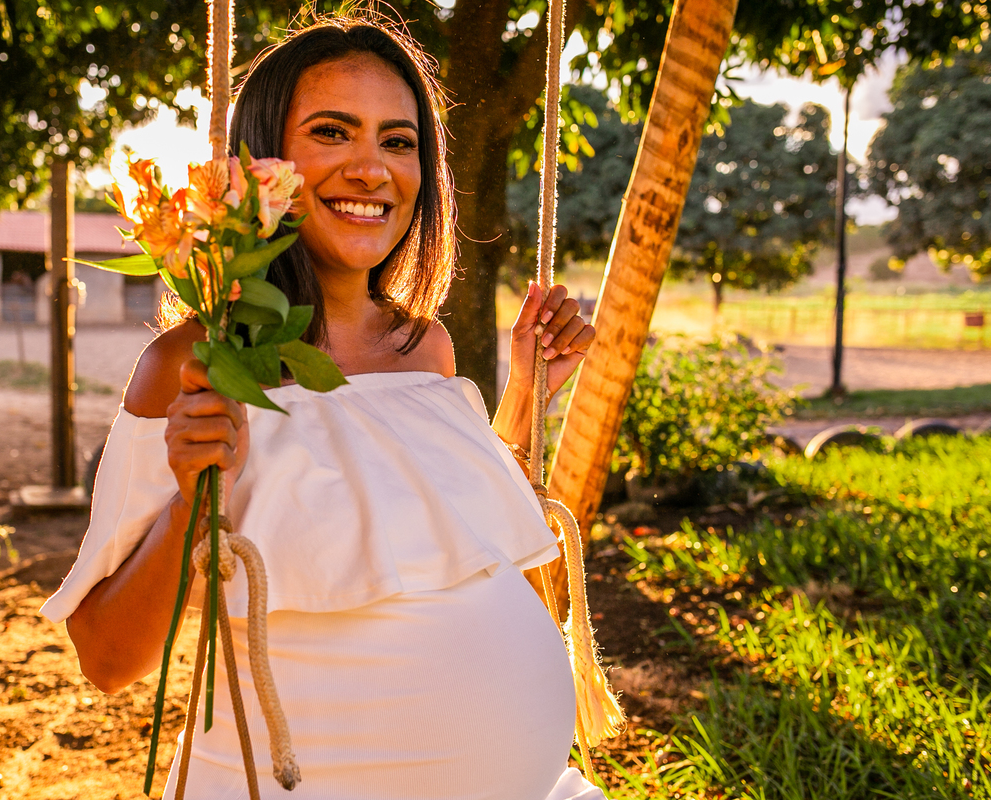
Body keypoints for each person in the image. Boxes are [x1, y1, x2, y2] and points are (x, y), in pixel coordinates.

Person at [41, 16, 609, 800]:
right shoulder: (196, 365)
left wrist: (526, 397)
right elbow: (108, 659)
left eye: (398, 141)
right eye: (332, 132)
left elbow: (462, 540)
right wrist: (189, 501)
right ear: (260, 163)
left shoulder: (426, 348)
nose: (371, 169)